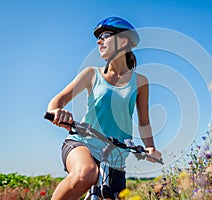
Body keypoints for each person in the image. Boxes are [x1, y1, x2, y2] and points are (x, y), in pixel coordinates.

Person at [47, 16, 162, 200]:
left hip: (116, 155)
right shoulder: (91, 74)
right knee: (86, 173)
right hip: (83, 142)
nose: (99, 41)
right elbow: (56, 101)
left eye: (105, 35)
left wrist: (150, 148)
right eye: (98, 38)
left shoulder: (140, 82)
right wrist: (56, 113)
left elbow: (144, 121)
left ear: (124, 41)